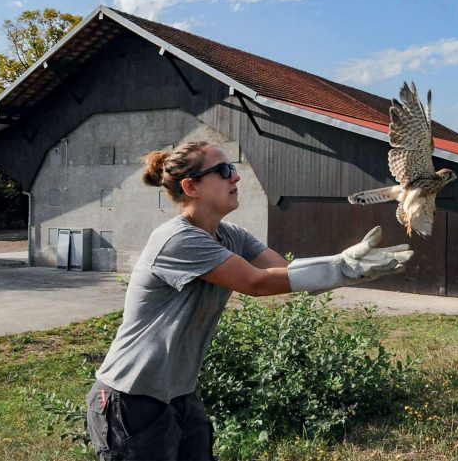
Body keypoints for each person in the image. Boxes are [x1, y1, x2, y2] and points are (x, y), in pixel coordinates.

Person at [85, 140, 412, 461]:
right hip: (131, 396)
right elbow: (256, 283)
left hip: (180, 393)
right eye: (224, 170)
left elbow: (282, 270)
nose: (236, 177)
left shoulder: (230, 236)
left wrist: (345, 263)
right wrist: (341, 270)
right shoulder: (177, 239)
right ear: (191, 186)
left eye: (234, 169)